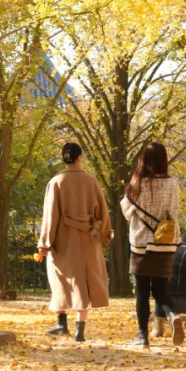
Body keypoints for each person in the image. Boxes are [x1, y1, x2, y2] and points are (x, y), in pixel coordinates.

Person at [38, 142, 113, 343]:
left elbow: (50, 215)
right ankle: (80, 330)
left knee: (60, 278)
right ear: (80, 158)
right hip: (89, 238)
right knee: (85, 282)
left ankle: (61, 323)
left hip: (64, 240)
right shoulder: (91, 181)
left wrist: (45, 242)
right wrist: (104, 234)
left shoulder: (56, 182)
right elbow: (103, 212)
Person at [120, 142, 180, 348]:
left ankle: (142, 336)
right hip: (165, 244)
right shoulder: (173, 184)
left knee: (143, 291)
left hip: (142, 245)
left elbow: (126, 212)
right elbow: (174, 212)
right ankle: (172, 316)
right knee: (161, 291)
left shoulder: (136, 184)